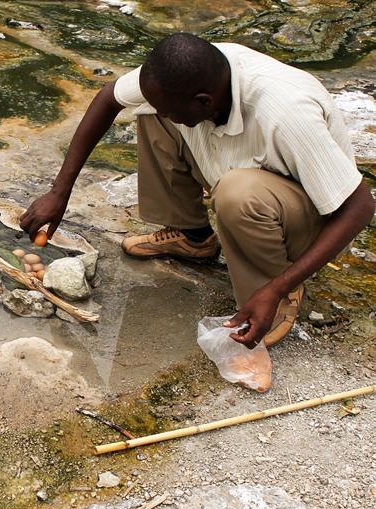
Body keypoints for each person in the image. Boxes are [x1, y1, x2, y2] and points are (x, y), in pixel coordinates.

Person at [20, 33, 374, 349]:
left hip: (304, 222)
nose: (165, 114)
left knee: (237, 193)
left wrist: (278, 286)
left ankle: (275, 289)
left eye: (173, 110)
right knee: (149, 112)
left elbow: (359, 208)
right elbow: (107, 99)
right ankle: (193, 236)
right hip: (244, 176)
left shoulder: (286, 114)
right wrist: (59, 192)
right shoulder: (188, 75)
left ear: (204, 101)